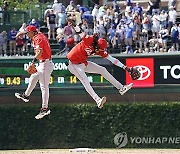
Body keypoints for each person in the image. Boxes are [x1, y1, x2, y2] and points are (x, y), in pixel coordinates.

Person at [66, 28, 133, 109]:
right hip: (73, 64)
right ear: (97, 44)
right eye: (100, 48)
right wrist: (74, 25)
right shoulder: (89, 40)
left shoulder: (100, 50)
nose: (100, 51)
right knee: (85, 81)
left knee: (102, 70)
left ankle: (121, 88)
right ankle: (97, 100)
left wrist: (125, 67)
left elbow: (112, 60)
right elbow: (80, 32)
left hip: (82, 63)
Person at [15, 25, 54, 120]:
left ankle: (44, 108)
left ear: (32, 32)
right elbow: (32, 31)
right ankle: (26, 95)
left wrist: (32, 63)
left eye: (28, 33)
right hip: (43, 63)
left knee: (44, 87)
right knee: (33, 77)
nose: (27, 35)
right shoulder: (38, 34)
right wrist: (22, 33)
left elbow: (39, 53)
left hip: (45, 64)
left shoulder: (39, 38)